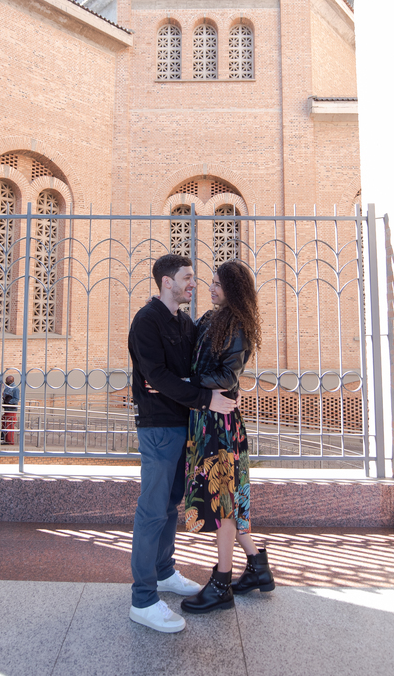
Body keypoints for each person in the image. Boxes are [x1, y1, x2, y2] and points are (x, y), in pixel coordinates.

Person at [126, 253, 235, 633]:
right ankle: (142, 599)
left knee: (171, 504)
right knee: (152, 510)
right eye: (187, 278)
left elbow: (186, 374)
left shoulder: (184, 322)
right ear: (166, 281)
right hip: (157, 426)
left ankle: (164, 572)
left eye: (194, 278)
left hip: (183, 423)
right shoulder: (146, 321)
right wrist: (203, 397)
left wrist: (186, 387)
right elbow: (155, 374)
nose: (194, 284)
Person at [180, 261, 274, 614]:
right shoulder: (210, 319)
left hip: (218, 423)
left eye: (217, 284)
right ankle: (257, 569)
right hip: (207, 417)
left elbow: (225, 376)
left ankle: (221, 582)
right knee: (229, 502)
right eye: (211, 282)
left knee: (222, 504)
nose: (210, 287)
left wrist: (187, 385)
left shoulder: (237, 326)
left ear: (233, 290)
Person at [1, 373, 20, 445]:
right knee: (5, 424)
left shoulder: (15, 388)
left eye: (7, 380)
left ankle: (10, 441)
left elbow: (16, 399)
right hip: (6, 409)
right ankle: (7, 440)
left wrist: (8, 402)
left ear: (10, 381)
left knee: (10, 425)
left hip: (11, 409)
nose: (5, 382)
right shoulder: (7, 387)